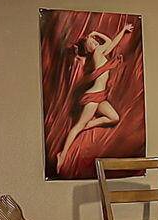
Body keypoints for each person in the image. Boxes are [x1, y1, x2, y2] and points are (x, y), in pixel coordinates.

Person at [57, 23, 134, 167]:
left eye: (94, 41)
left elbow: (111, 45)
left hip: (100, 96)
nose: (95, 42)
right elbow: (109, 42)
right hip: (93, 95)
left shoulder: (98, 56)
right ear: (89, 49)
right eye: (91, 42)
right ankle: (62, 154)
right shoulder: (97, 53)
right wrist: (96, 33)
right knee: (78, 125)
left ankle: (88, 125)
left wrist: (123, 31)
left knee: (114, 118)